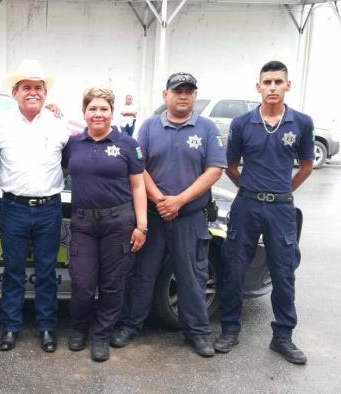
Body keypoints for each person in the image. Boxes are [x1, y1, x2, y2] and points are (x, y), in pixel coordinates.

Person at [112, 72, 227, 357]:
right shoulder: (150, 127)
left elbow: (215, 169)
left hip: (189, 217)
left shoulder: (207, 128)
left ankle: (198, 332)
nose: (183, 95)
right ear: (166, 95)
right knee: (142, 275)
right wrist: (161, 200)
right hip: (153, 215)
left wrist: (179, 201)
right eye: (178, 90)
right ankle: (130, 325)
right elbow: (139, 169)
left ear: (195, 96)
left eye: (189, 90)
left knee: (192, 276)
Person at [214, 61, 313, 364]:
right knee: (234, 268)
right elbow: (230, 165)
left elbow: (307, 166)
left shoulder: (302, 123)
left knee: (284, 273)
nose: (272, 87)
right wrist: (250, 189)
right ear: (258, 87)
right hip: (247, 205)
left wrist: (283, 191)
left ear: (287, 86)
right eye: (267, 82)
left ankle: (282, 337)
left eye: (278, 82)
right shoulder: (242, 124)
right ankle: (230, 329)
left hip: (281, 208)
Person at [0, 59, 70, 353]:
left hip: (50, 208)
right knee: (13, 271)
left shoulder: (58, 122)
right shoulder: (0, 123)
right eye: (27, 88)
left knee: (47, 271)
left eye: (38, 88)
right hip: (14, 208)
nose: (33, 92)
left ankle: (47, 328)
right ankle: (10, 327)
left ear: (45, 94)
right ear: (15, 93)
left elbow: (69, 162)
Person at [62, 87, 147, 362]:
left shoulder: (127, 145)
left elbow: (138, 187)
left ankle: (101, 336)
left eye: (104, 109)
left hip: (118, 224)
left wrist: (141, 226)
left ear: (112, 112)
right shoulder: (73, 144)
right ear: (84, 112)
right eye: (93, 109)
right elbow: (61, 171)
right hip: (83, 224)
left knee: (112, 285)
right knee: (83, 284)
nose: (98, 114)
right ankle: (78, 330)